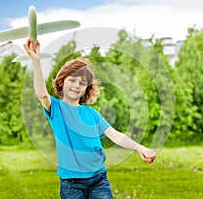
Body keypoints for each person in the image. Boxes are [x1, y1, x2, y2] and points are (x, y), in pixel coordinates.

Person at [24, 38, 156, 199]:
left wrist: (140, 148)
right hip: (71, 184)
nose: (76, 85)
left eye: (82, 83)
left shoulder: (92, 113)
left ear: (86, 88)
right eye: (72, 80)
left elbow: (115, 135)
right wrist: (36, 62)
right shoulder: (56, 109)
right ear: (61, 82)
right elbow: (42, 93)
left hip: (99, 180)